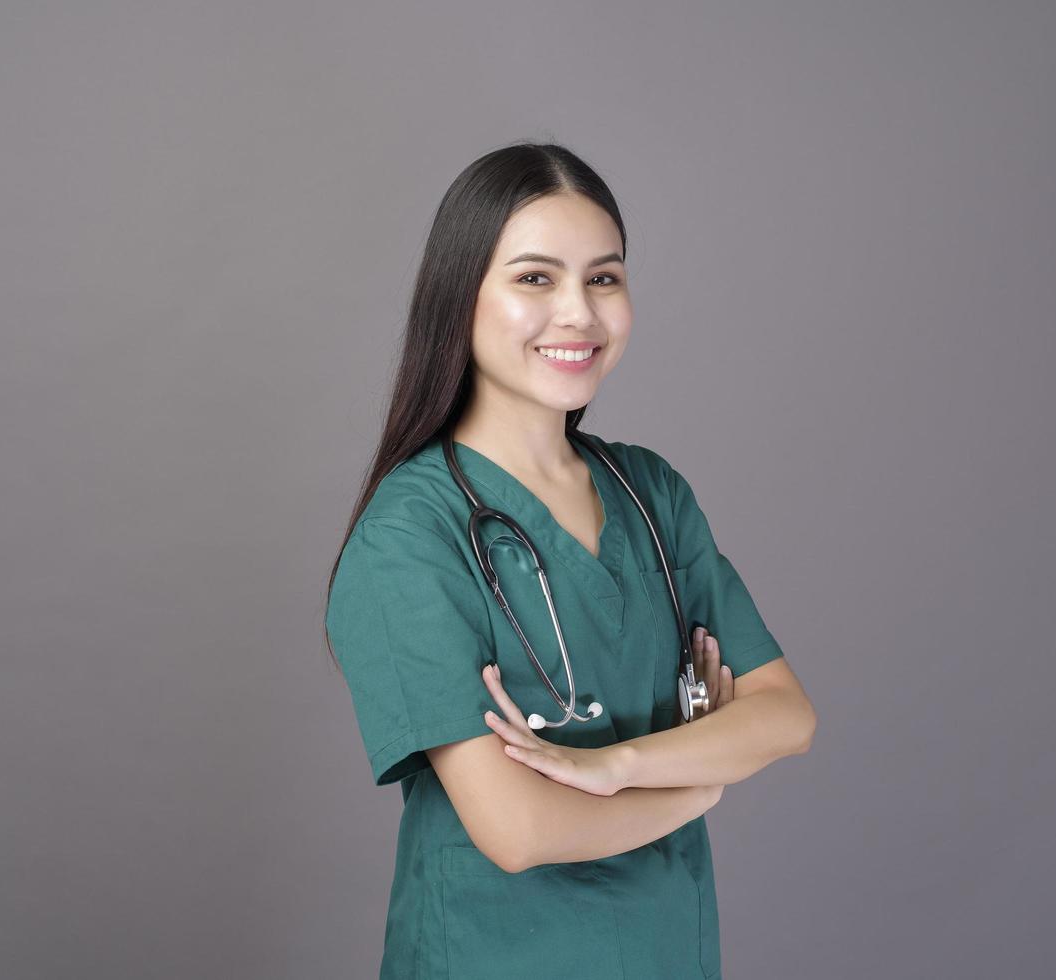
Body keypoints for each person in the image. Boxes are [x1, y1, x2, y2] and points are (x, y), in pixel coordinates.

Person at [324, 141, 817, 979]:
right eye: (534, 278)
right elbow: (517, 833)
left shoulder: (650, 494)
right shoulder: (411, 534)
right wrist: (697, 783)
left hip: (669, 951)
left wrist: (613, 768)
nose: (579, 316)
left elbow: (787, 717)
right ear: (460, 299)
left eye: (604, 277)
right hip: (493, 956)